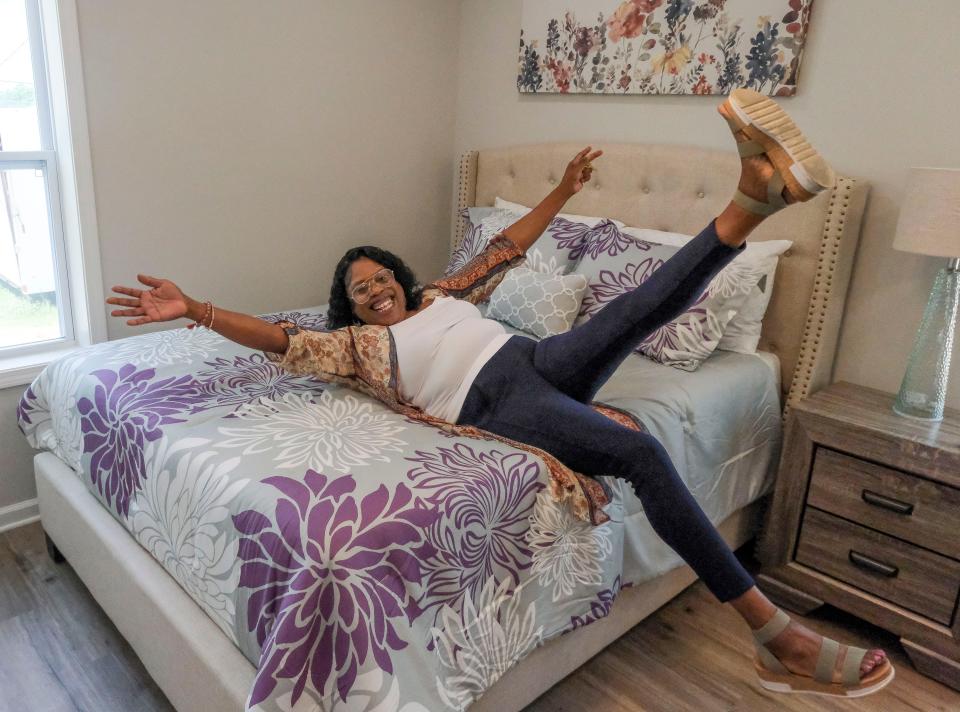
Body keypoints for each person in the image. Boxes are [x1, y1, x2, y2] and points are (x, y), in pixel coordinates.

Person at [107, 89, 893, 698]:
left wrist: (560, 190)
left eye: (381, 275)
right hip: (497, 403)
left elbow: (511, 245)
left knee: (635, 307)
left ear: (403, 278)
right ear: (349, 306)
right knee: (640, 451)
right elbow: (279, 339)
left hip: (539, 360)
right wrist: (197, 311)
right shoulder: (357, 346)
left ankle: (752, 201)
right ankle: (772, 633)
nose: (375, 289)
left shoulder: (449, 292)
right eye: (359, 288)